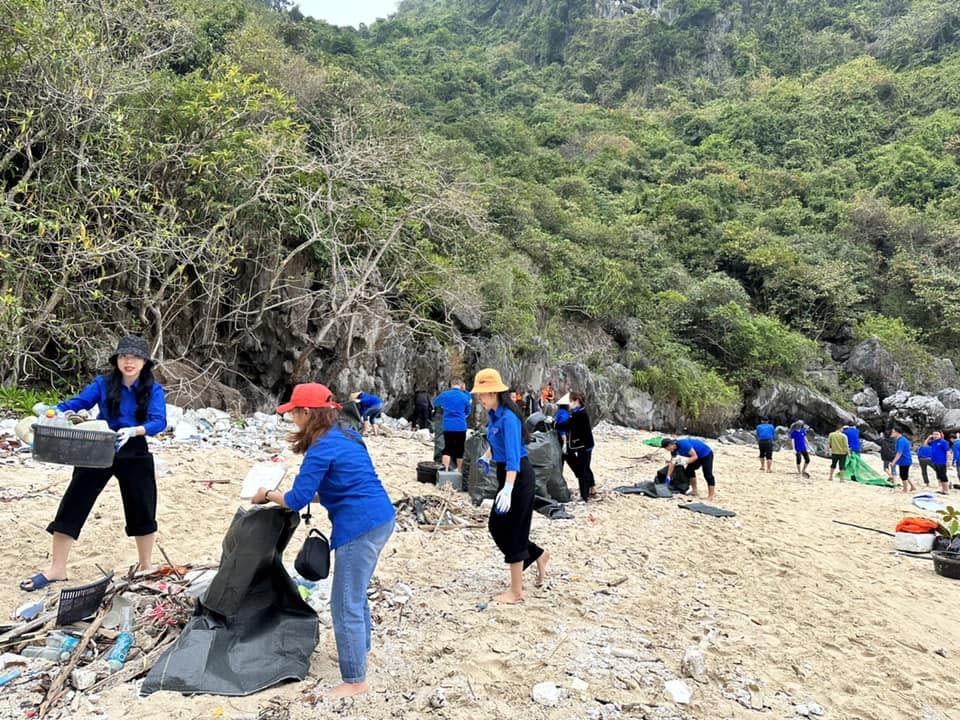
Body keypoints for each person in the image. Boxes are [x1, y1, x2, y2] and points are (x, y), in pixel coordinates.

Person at [254, 383, 395, 699]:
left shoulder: (321, 448)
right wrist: (293, 496)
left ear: (307, 413)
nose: (292, 419)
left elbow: (297, 498)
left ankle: (355, 680)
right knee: (356, 594)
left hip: (359, 527)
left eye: (293, 413)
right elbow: (337, 486)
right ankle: (362, 648)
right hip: (381, 517)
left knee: (344, 603)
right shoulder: (349, 435)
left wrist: (267, 495)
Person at [20, 335, 167, 592]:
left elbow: (159, 421)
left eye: (134, 357)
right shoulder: (103, 383)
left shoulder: (153, 389)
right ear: (117, 360)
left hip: (134, 448)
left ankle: (145, 566)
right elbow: (78, 404)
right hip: (97, 447)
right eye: (124, 356)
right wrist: (53, 411)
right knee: (74, 501)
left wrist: (134, 431)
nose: (128, 361)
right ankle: (57, 569)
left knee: (142, 506)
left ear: (144, 362)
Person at [471, 368, 549, 604]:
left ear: (494, 392)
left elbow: (514, 456)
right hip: (505, 472)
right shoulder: (494, 416)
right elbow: (498, 442)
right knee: (496, 525)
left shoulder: (509, 419)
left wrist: (508, 488)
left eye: (483, 394)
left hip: (517, 476)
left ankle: (516, 592)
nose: (480, 398)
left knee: (515, 529)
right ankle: (537, 554)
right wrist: (487, 455)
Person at [432, 379, 472, 471]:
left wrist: (444, 407)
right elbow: (468, 410)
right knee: (460, 450)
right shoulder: (464, 396)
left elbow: (435, 402)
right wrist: (465, 391)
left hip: (448, 426)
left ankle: (445, 471)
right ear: (461, 385)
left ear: (451, 385)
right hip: (461, 426)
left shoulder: (446, 394)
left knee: (447, 449)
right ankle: (460, 471)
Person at [661, 436, 717, 502]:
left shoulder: (683, 444)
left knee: (708, 474)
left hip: (705, 454)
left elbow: (694, 456)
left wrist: (684, 462)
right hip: (696, 456)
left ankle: (711, 496)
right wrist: (668, 476)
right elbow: (672, 463)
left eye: (667, 448)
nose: (668, 450)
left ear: (671, 445)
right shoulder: (673, 451)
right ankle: (695, 491)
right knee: (689, 471)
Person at [567, 391, 596, 501]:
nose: (569, 404)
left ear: (577, 401)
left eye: (571, 401)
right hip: (586, 444)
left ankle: (584, 496)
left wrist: (556, 424)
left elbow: (572, 426)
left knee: (583, 470)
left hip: (583, 446)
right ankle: (592, 488)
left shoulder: (580, 414)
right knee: (586, 467)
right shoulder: (579, 412)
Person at [888, 426, 916, 493]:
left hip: (905, 460)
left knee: (903, 475)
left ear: (897, 432)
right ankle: (912, 487)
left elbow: (899, 453)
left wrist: (893, 462)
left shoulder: (901, 441)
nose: (891, 433)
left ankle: (905, 489)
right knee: (905, 474)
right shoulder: (899, 440)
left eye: (893, 432)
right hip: (903, 460)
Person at [926, 430, 950, 495]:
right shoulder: (933, 442)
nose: (935, 436)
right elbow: (925, 444)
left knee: (943, 476)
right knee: (939, 476)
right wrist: (929, 437)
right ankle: (942, 489)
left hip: (942, 461)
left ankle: (946, 490)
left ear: (940, 434)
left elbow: (948, 452)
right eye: (934, 434)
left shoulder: (943, 442)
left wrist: (948, 461)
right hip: (935, 461)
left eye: (937, 434)